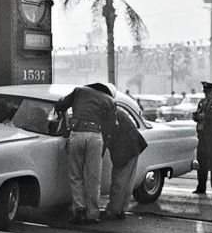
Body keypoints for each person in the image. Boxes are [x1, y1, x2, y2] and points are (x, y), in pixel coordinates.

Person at [55, 83, 117, 224]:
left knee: (75, 175)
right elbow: (111, 128)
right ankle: (93, 214)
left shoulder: (79, 91)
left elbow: (61, 105)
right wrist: (102, 148)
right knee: (93, 178)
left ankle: (79, 210)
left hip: (77, 133)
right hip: (95, 137)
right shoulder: (110, 100)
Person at [101, 108, 148, 220]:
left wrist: (100, 155)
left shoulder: (107, 115)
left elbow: (107, 136)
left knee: (119, 181)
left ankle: (113, 210)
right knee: (128, 181)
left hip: (124, 149)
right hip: (135, 146)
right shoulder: (117, 111)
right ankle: (121, 209)